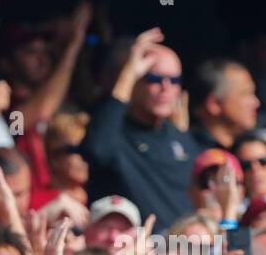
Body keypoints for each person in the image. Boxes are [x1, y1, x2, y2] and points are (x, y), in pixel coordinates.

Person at [82, 27, 199, 230]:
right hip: (133, 253)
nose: (166, 88)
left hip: (185, 252)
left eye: (174, 80)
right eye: (153, 79)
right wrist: (128, 73)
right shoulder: (113, 132)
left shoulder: (180, 137)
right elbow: (96, 150)